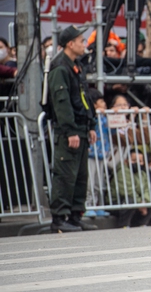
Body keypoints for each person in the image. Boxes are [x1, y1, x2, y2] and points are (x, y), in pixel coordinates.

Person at [47, 25, 98, 233]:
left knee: (79, 176)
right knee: (65, 174)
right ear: (70, 44)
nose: (84, 44)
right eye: (81, 40)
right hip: (69, 130)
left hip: (81, 128)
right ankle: (59, 219)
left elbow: (84, 98)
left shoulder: (75, 64)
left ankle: (76, 216)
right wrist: (70, 131)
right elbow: (62, 103)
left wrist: (91, 125)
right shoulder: (60, 67)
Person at [84, 88, 111, 218]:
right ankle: (88, 205)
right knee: (90, 181)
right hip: (91, 153)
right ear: (94, 104)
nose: (104, 103)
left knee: (99, 182)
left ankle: (98, 205)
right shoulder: (91, 117)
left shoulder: (105, 118)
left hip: (102, 153)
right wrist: (98, 114)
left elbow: (112, 131)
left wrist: (114, 116)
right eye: (101, 101)